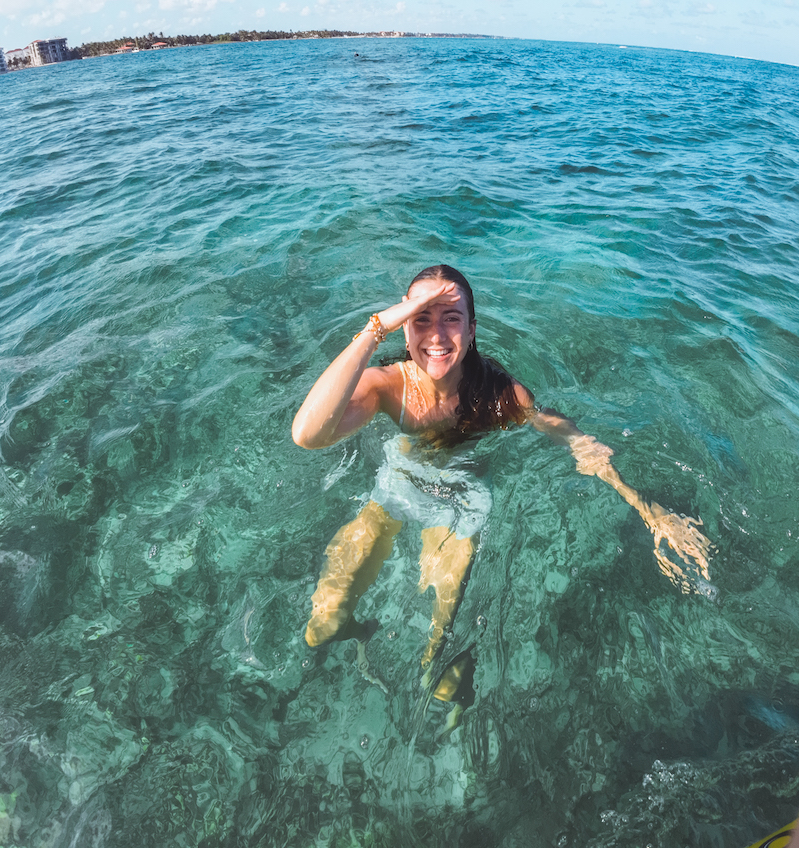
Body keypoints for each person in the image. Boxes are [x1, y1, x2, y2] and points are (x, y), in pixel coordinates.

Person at [292, 264, 713, 702]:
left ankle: (456, 675)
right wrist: (376, 326)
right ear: (403, 329)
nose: (435, 335)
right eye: (421, 317)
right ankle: (363, 633)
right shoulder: (388, 387)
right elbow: (308, 434)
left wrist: (652, 512)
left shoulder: (502, 395)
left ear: (472, 329)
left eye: (450, 317)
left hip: (461, 503)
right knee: (322, 628)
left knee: (435, 658)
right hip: (397, 485)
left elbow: (577, 443)